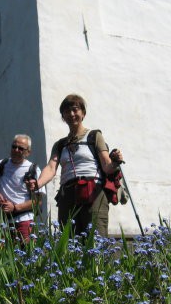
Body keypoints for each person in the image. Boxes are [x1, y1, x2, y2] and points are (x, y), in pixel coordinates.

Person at [29, 94, 123, 237]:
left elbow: (106, 166)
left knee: (95, 238)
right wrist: (38, 183)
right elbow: (51, 167)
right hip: (67, 194)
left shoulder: (94, 136)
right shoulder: (60, 145)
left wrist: (115, 162)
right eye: (67, 111)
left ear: (83, 113)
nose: (71, 114)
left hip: (93, 192)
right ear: (63, 116)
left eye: (75, 110)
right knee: (69, 240)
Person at [0, 134, 45, 242]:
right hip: (1, 221)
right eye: (14, 146)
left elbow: (38, 201)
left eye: (21, 148)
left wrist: (15, 208)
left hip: (24, 221)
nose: (16, 150)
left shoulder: (33, 169)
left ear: (28, 152)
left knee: (26, 256)